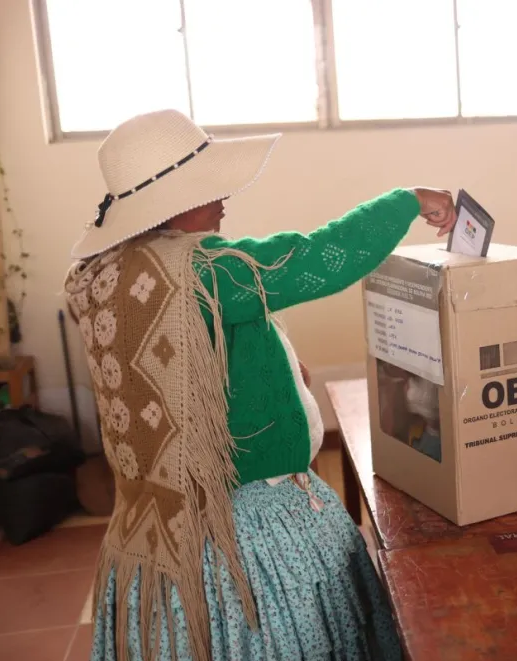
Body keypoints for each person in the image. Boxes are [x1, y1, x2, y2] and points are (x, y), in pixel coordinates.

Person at [63, 108, 457, 661]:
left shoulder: (111, 271)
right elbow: (321, 258)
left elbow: (187, 364)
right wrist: (410, 199)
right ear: (173, 201)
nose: (224, 195)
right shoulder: (199, 272)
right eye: (209, 185)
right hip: (241, 527)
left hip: (150, 527)